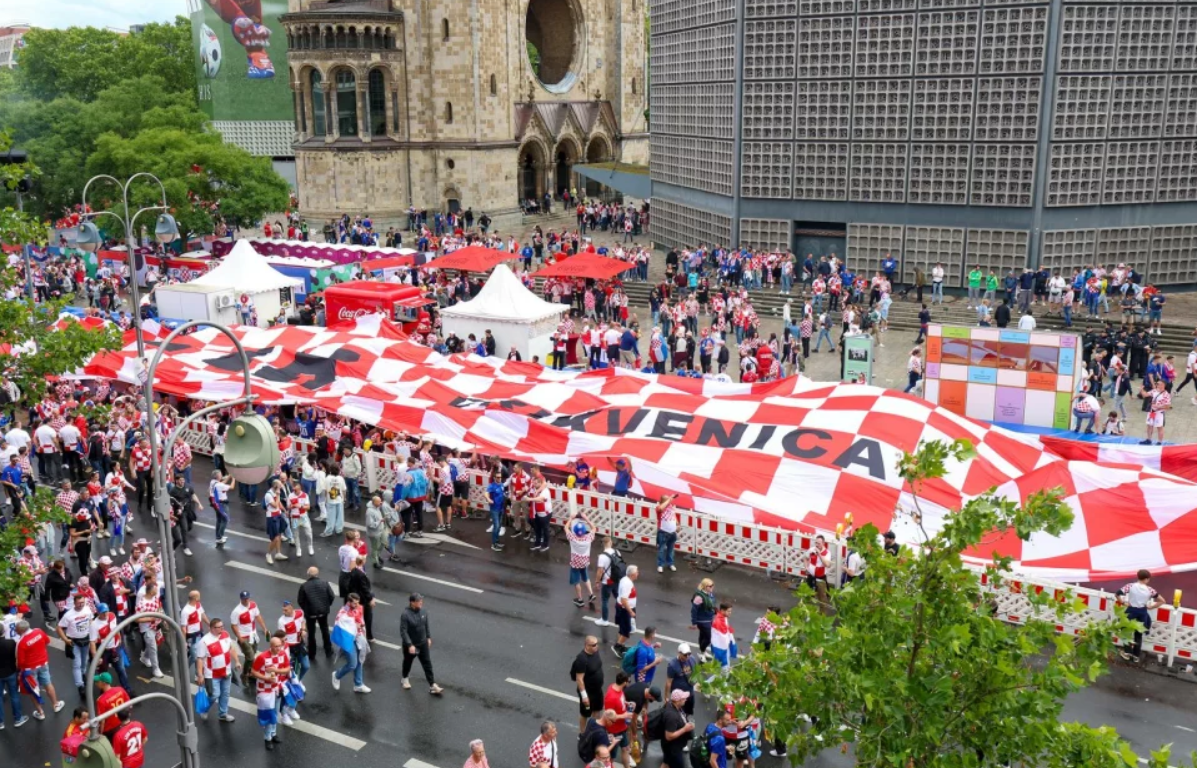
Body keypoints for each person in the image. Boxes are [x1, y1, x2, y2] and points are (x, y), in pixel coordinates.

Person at [195, 617, 239, 723]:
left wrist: (237, 661)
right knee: (214, 695)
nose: (221, 629)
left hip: (226, 671)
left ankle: (223, 714)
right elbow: (200, 659)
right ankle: (204, 709)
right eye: (218, 627)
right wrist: (200, 675)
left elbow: (231, 648)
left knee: (225, 694)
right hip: (212, 674)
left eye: (222, 626)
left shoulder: (225, 634)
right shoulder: (204, 641)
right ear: (211, 628)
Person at [251, 634, 291, 747]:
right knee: (269, 713)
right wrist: (266, 678)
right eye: (276, 646)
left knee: (275, 712)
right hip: (264, 690)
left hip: (277, 688)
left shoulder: (283, 654)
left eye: (280, 646)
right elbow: (253, 672)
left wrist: (276, 670)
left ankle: (273, 734)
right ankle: (267, 738)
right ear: (271, 646)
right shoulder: (262, 657)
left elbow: (287, 668)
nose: (279, 648)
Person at [1117, 569, 1166, 662]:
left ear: (1138, 577)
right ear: (1147, 579)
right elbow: (1162, 600)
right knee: (1138, 635)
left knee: (1125, 632)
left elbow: (1117, 594)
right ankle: (1136, 656)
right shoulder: (1150, 590)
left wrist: (1123, 602)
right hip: (1142, 612)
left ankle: (1127, 653)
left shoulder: (1130, 586)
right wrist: (1152, 607)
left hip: (1131, 610)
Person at [401, 593, 444, 694]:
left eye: (421, 600)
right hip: (411, 645)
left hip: (423, 642)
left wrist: (428, 637)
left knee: (427, 664)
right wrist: (409, 644)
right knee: (408, 662)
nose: (421, 602)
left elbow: (426, 625)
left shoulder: (424, 611)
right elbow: (403, 631)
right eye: (418, 601)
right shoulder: (405, 614)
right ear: (412, 602)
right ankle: (405, 678)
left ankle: (432, 685)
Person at [56, 590, 94, 698]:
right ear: (74, 603)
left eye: (83, 602)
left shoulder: (87, 609)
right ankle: (80, 686)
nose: (81, 605)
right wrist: (65, 639)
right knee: (77, 664)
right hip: (75, 642)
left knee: (85, 660)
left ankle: (83, 673)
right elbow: (59, 628)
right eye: (79, 603)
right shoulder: (68, 615)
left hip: (86, 640)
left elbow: (91, 620)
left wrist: (92, 633)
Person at [330, 593, 369, 693]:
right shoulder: (343, 613)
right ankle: (337, 675)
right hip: (349, 639)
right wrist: (354, 625)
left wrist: (362, 629)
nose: (356, 605)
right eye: (354, 603)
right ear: (349, 602)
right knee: (352, 664)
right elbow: (340, 624)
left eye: (357, 602)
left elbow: (361, 620)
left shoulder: (360, 608)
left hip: (358, 637)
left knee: (359, 661)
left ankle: (358, 684)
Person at [231, 591, 268, 688]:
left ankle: (250, 672)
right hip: (244, 637)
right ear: (241, 599)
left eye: (248, 598)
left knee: (252, 654)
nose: (246, 600)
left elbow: (258, 616)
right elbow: (234, 626)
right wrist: (240, 638)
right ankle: (244, 675)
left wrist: (264, 628)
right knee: (251, 657)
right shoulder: (237, 611)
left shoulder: (253, 605)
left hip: (253, 635)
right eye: (244, 599)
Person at [297, 566, 335, 658]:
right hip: (323, 611)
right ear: (317, 574)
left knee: (311, 632)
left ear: (308, 574)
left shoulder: (304, 586)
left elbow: (300, 600)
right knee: (325, 630)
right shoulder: (324, 583)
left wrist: (306, 609)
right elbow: (332, 596)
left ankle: (312, 653)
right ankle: (328, 651)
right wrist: (326, 606)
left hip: (310, 613)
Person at [572, 636, 605, 730]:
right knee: (585, 713)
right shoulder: (581, 659)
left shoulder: (595, 652)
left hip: (597, 690)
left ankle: (594, 731)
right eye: (594, 645)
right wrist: (584, 696)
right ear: (587, 646)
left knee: (597, 710)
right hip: (588, 693)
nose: (597, 646)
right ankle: (582, 734)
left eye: (597, 643)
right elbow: (579, 679)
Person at [603, 674, 635, 768]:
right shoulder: (611, 697)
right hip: (614, 731)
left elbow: (620, 700)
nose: (629, 683)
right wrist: (624, 715)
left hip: (622, 728)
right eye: (628, 681)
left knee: (625, 749)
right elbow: (608, 716)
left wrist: (626, 703)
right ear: (624, 682)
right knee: (611, 756)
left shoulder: (617, 688)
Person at [567, 514, 597, 607]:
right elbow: (594, 528)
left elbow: (565, 528)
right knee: (586, 577)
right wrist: (586, 518)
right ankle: (591, 594)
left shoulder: (573, 538)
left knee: (576, 581)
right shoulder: (588, 538)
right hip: (585, 562)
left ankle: (580, 599)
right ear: (584, 531)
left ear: (575, 532)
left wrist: (571, 518)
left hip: (575, 563)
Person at [345, 556, 377, 642]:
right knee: (368, 617)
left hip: (356, 597)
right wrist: (370, 599)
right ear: (363, 561)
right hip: (363, 599)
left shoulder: (354, 570)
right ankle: (369, 636)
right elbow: (364, 588)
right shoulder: (361, 574)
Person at [278, 601, 309, 687]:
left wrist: (303, 630)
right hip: (289, 647)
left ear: (292, 608)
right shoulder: (281, 621)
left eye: (286, 610)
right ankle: (293, 685)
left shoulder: (300, 612)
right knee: (291, 670)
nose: (284, 612)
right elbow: (282, 637)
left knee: (306, 666)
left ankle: (299, 680)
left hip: (299, 644)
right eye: (283, 610)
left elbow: (303, 621)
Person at [0, 627, 26, 728]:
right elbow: (16, 656)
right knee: (14, 696)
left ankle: (1, 722)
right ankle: (18, 718)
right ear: (3, 631)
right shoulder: (11, 642)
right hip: (11, 672)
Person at [661, 690, 694, 768]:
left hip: (670, 746)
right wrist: (685, 729)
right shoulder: (672, 716)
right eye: (683, 698)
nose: (686, 699)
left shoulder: (671, 704)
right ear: (677, 701)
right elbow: (669, 736)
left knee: (666, 763)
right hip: (673, 749)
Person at [94, 672, 129, 742]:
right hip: (122, 722)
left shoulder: (101, 700)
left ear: (103, 683)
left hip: (110, 729)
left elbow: (102, 720)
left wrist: (100, 733)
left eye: (97, 681)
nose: (96, 683)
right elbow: (129, 705)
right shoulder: (120, 689)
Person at [613, 565, 639, 658]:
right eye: (637, 572)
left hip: (624, 608)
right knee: (627, 631)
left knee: (622, 628)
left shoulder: (625, 579)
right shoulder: (627, 583)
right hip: (625, 610)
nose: (638, 574)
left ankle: (621, 646)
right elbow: (624, 600)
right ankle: (617, 646)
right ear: (632, 574)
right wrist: (630, 612)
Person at [664, 643, 696, 715]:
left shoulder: (692, 659)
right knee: (677, 713)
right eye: (685, 655)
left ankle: (686, 718)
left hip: (690, 692)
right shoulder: (672, 665)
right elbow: (669, 682)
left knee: (689, 709)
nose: (687, 656)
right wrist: (666, 697)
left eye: (689, 654)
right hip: (678, 696)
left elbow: (696, 672)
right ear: (679, 653)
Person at [690, 578, 717, 661]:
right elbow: (694, 610)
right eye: (710, 586)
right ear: (705, 587)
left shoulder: (710, 594)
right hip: (702, 621)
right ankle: (702, 651)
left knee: (702, 636)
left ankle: (703, 652)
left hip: (709, 619)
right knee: (709, 637)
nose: (712, 587)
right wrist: (694, 623)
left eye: (713, 585)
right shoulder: (699, 597)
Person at [1141, 378, 1172, 445]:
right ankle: (1149, 439)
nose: (1157, 385)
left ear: (1163, 385)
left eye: (1159, 384)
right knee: (1149, 425)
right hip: (1152, 412)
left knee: (1159, 427)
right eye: (1157, 383)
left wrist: (1158, 407)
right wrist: (1141, 389)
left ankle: (1159, 442)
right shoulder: (1154, 391)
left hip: (1159, 413)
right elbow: (1145, 395)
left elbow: (1168, 406)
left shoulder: (1166, 395)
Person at [655, 493, 679, 573]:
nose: (669, 500)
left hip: (672, 532)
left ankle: (670, 563)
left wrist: (677, 524)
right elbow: (660, 509)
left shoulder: (671, 507)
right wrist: (669, 499)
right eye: (666, 499)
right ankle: (660, 565)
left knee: (671, 549)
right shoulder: (659, 508)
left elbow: (674, 516)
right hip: (663, 532)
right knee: (661, 549)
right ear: (662, 501)